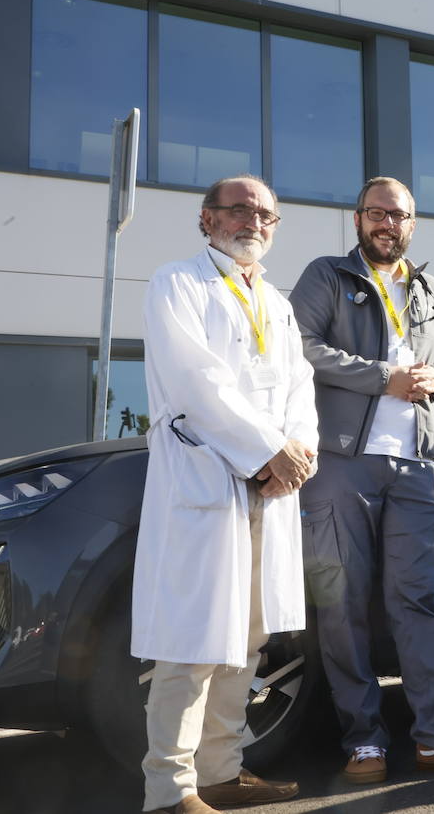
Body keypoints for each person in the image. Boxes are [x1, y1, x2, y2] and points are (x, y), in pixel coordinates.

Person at [289, 177, 434, 783]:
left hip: (416, 464)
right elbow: (299, 349)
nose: (388, 223)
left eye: (399, 215)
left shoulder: (432, 289)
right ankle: (364, 742)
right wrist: (381, 377)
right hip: (339, 463)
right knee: (342, 607)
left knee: (419, 602)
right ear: (358, 219)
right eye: (377, 213)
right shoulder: (326, 277)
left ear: (413, 224)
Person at [132, 175, 318, 814]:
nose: (254, 222)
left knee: (247, 638)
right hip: (208, 481)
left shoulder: (278, 301)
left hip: (271, 488)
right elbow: (197, 381)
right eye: (239, 210)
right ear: (207, 219)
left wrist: (296, 451)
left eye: (266, 213)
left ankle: (220, 772)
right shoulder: (177, 283)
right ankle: (170, 789)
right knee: (192, 639)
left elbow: (300, 384)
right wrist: (270, 451)